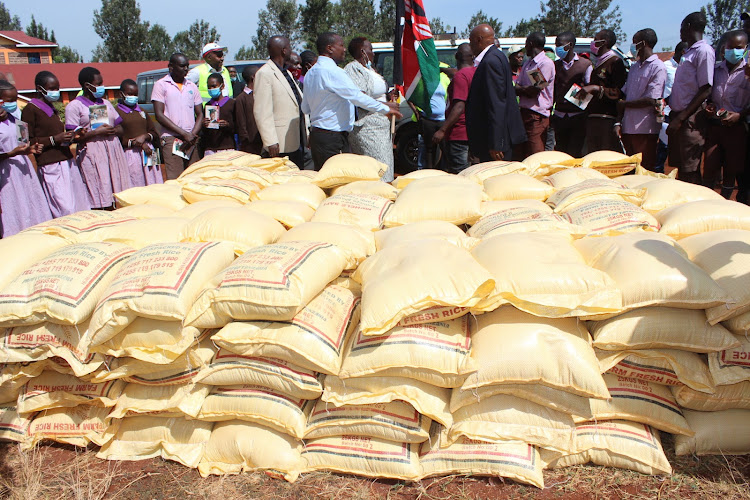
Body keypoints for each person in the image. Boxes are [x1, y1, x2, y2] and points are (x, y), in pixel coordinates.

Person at [301, 32, 401, 170]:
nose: (344, 49)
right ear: (330, 48)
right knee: (337, 181)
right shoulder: (334, 72)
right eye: (341, 45)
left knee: (324, 179)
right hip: (333, 137)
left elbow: (305, 108)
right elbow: (357, 97)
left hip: (318, 136)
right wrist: (385, 108)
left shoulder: (310, 74)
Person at [22, 70, 90, 217]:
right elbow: (25, 140)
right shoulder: (30, 110)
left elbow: (58, 134)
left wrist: (73, 136)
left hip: (65, 160)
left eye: (57, 88)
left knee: (78, 204)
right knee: (63, 207)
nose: (56, 92)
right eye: (52, 89)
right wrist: (54, 139)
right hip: (50, 164)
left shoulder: (53, 109)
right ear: (40, 89)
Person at [65, 66, 130, 209]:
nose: (102, 87)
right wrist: (95, 133)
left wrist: (114, 130)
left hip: (112, 152)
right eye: (98, 84)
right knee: (99, 189)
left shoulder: (106, 103)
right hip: (92, 154)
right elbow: (72, 136)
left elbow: (120, 127)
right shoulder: (74, 107)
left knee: (116, 188)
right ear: (88, 86)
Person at [466, 24, 526, 162]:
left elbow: (496, 103)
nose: (470, 46)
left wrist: (496, 143)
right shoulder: (497, 56)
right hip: (497, 138)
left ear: (478, 39)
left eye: (470, 41)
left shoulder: (490, 61)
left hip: (495, 142)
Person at [667, 11, 715, 184]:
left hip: (690, 119)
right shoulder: (689, 53)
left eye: (681, 27)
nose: (680, 32)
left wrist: (681, 117)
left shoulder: (704, 51)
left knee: (690, 169)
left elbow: (705, 89)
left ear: (688, 27)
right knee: (681, 167)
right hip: (679, 116)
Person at [0, 80, 53, 236]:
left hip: (23, 170)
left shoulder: (17, 121)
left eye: (14, 100)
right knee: (14, 208)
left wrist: (31, 148)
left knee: (29, 203)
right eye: (8, 101)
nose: (12, 105)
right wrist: (12, 154)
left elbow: (24, 144)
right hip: (6, 175)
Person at [703, 30, 750, 198]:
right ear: (724, 48)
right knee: (710, 166)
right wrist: (709, 106)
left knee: (731, 170)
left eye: (738, 47)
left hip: (736, 128)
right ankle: (708, 200)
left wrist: (740, 115)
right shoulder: (715, 69)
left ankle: (725, 203)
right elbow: (707, 94)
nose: (733, 51)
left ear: (745, 49)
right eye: (730, 47)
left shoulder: (748, 72)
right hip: (715, 127)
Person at [344, 37, 395, 181]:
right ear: (362, 51)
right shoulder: (353, 68)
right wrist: (386, 106)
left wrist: (388, 95)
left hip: (380, 126)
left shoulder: (370, 69)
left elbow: (375, 92)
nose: (372, 53)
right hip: (367, 127)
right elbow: (359, 96)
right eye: (370, 49)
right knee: (377, 167)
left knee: (386, 165)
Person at [616, 29, 667, 171]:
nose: (632, 46)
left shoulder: (657, 67)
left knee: (644, 169)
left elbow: (651, 99)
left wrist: (625, 105)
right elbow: (625, 93)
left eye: (634, 42)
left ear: (642, 43)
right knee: (630, 168)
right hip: (628, 126)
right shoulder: (634, 67)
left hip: (645, 128)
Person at [254, 36, 307, 168]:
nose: (291, 50)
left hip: (295, 138)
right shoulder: (265, 73)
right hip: (280, 143)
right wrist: (270, 141)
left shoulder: (286, 72)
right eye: (289, 47)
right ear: (284, 50)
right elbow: (262, 111)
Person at [152, 53, 204, 180]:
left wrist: (191, 135)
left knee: (193, 177)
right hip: (171, 139)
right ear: (171, 67)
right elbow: (159, 115)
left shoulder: (191, 86)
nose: (186, 69)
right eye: (182, 66)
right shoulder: (161, 85)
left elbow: (200, 114)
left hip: (191, 139)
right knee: (175, 178)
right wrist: (183, 134)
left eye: (187, 66)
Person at [580, 29, 627, 153]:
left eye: (596, 40)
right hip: (593, 116)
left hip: (606, 118)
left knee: (603, 155)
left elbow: (618, 92)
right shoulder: (599, 62)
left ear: (604, 42)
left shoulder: (615, 62)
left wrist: (596, 88)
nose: (593, 43)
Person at [432, 43, 476, 173]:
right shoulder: (476, 72)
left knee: (460, 173)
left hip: (458, 133)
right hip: (473, 133)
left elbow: (459, 106)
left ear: (456, 56)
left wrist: (442, 130)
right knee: (472, 172)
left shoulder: (460, 77)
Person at [514, 32, 555, 159]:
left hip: (537, 116)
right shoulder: (528, 64)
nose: (525, 47)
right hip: (525, 113)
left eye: (526, 44)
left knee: (535, 154)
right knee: (523, 153)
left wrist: (523, 89)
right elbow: (516, 87)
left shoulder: (545, 63)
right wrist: (525, 89)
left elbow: (535, 90)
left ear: (531, 44)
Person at [552, 31, 593, 158]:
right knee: (560, 152)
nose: (557, 48)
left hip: (577, 116)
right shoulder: (555, 65)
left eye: (560, 45)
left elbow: (589, 87)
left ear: (569, 45)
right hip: (559, 116)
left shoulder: (585, 64)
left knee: (575, 152)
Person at [115, 79, 162, 186]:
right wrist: (137, 143)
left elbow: (154, 132)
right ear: (121, 94)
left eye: (135, 94)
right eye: (130, 94)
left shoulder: (141, 111)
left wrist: (145, 136)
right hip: (131, 154)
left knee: (154, 182)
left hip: (149, 152)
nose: (133, 97)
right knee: (136, 183)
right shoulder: (116, 112)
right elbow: (117, 138)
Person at [655, 41, 687, 173]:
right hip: (667, 112)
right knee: (663, 146)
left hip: (682, 112)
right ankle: (659, 172)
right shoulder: (665, 67)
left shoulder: (687, 68)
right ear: (683, 52)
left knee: (681, 147)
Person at [201, 73, 236, 155]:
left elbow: (238, 126)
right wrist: (204, 124)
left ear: (222, 86)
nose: (211, 89)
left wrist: (227, 125)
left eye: (214, 86)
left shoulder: (231, 104)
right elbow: (204, 132)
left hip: (227, 147)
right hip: (210, 148)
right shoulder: (208, 105)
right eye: (209, 87)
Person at [234, 66, 262, 154]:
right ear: (253, 77)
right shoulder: (241, 98)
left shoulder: (261, 95)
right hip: (250, 144)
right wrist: (245, 140)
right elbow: (241, 122)